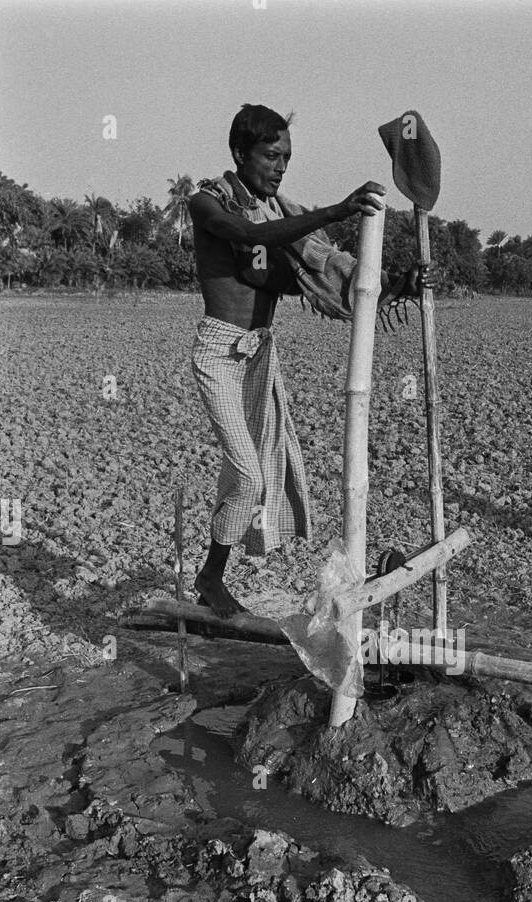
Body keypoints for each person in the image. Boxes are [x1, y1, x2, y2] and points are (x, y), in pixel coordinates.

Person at [189, 102, 424, 618]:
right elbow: (248, 237)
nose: (279, 167)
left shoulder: (281, 213)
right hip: (219, 352)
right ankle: (210, 578)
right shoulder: (207, 202)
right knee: (249, 476)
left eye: (286, 158)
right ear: (239, 153)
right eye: (271, 156)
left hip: (257, 354)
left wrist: (391, 284)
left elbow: (317, 269)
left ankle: (212, 575)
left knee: (247, 473)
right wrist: (339, 210)